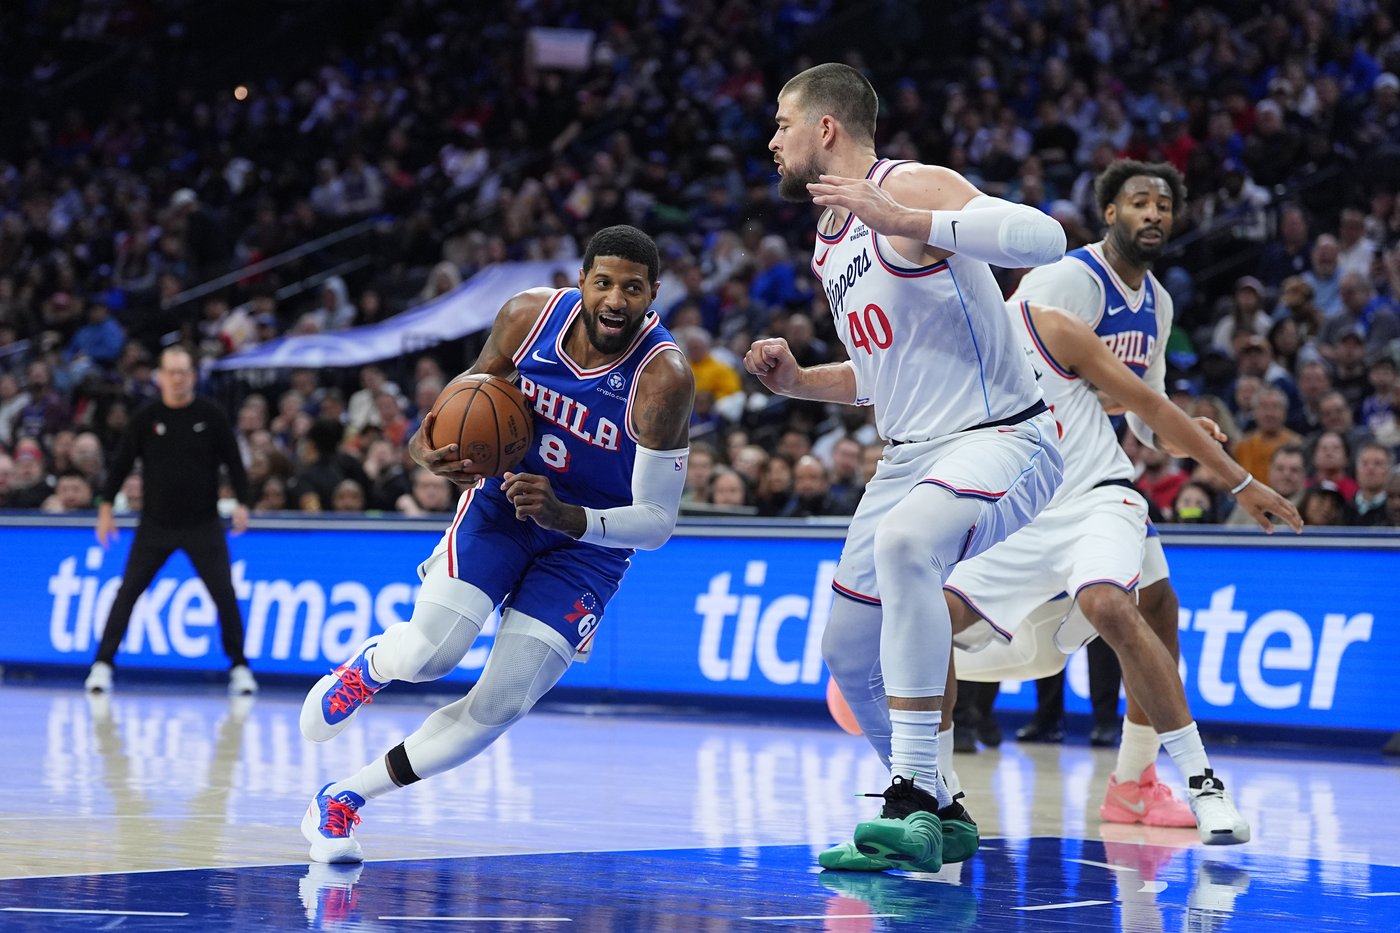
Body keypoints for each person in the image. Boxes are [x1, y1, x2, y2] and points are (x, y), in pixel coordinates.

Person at [749, 63, 1067, 873]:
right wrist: (798, 384)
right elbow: (877, 374)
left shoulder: (907, 184)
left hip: (1001, 435)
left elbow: (1046, 237)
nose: (771, 140)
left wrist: (908, 215)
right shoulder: (829, 242)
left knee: (905, 548)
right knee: (848, 652)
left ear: (826, 126)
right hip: (909, 455)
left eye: (782, 123)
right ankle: (944, 806)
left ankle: (913, 793)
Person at [298, 225, 695, 863]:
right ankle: (371, 667)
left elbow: (655, 522)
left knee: (502, 700)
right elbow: (459, 406)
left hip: (588, 545)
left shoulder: (663, 377)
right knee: (430, 655)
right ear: (581, 282)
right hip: (502, 507)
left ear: (653, 295)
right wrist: (430, 450)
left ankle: (344, 798)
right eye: (604, 283)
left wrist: (571, 518)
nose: (615, 299)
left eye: (632, 288)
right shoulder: (527, 317)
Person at [951, 160, 1301, 843]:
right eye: (1139, 202)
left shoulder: (1159, 304)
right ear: (1110, 212)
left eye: (1164, 205)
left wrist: (1178, 430)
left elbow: (1143, 410)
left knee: (1156, 604)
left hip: (1101, 480)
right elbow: (1032, 366)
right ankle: (908, 723)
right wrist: (1202, 450)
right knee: (1022, 644)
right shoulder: (1063, 281)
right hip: (1031, 483)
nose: (1154, 214)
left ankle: (1138, 779)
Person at [84, 345, 256, 696]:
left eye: (184, 372)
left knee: (224, 594)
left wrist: (242, 503)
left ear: (192, 376)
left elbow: (234, 463)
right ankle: (102, 665)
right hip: (155, 525)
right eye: (171, 372)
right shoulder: (146, 418)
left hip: (203, 525)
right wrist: (105, 508)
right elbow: (119, 464)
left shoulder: (211, 415)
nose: (178, 378)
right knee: (127, 593)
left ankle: (239, 667)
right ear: (160, 377)